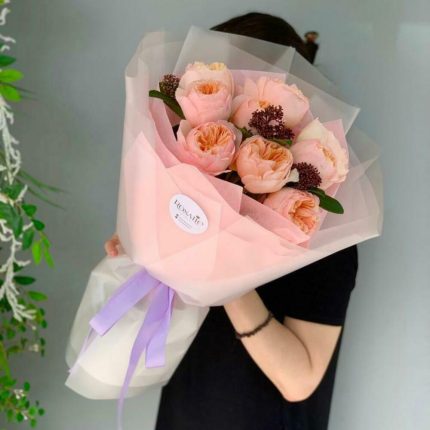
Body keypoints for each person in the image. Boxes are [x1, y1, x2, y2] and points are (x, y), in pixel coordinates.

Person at [105, 12, 358, 430]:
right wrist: (150, 251)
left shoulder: (316, 220)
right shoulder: (191, 185)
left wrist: (223, 261)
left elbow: (300, 380)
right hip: (184, 409)